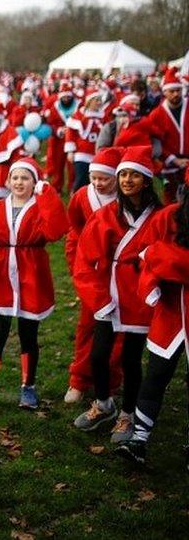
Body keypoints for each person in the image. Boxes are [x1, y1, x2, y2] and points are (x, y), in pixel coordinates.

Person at [72, 145, 162, 442]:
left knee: (131, 358)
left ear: (146, 180)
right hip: (109, 293)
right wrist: (98, 296)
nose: (126, 180)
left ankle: (127, 414)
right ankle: (103, 403)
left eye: (134, 175)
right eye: (122, 174)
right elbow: (85, 255)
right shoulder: (109, 214)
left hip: (139, 295)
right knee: (98, 355)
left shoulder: (159, 217)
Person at [0, 157, 68, 411]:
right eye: (15, 177)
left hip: (31, 271)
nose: (19, 182)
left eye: (25, 177)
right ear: (8, 181)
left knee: (28, 333)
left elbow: (56, 230)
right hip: (2, 273)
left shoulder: (40, 206)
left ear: (35, 182)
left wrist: (48, 196)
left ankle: (28, 387)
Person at [116, 175, 189, 466]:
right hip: (170, 311)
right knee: (157, 374)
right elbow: (145, 254)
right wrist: (151, 281)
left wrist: (165, 258)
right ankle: (139, 439)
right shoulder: (169, 216)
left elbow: (157, 254)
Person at [63, 147, 123, 404]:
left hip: (119, 272)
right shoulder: (81, 196)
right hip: (91, 273)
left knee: (120, 329)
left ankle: (111, 380)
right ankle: (79, 379)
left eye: (104, 179)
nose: (98, 183)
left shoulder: (125, 199)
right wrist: (76, 262)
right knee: (88, 326)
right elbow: (74, 228)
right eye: (94, 178)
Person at [146, 68, 188, 204]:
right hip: (169, 166)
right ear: (164, 92)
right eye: (172, 91)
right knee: (172, 205)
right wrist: (173, 159)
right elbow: (155, 144)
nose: (176, 94)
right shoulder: (156, 114)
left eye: (178, 90)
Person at [65, 93, 108, 193]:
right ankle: (76, 199)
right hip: (82, 153)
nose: (99, 103)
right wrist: (70, 151)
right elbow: (70, 133)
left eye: (100, 100)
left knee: (95, 180)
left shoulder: (103, 116)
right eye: (96, 100)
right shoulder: (79, 116)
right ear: (89, 102)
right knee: (81, 178)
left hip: (98, 153)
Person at [41, 81, 78, 194]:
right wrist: (58, 130)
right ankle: (57, 187)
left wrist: (72, 129)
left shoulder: (78, 106)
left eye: (68, 96)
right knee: (57, 164)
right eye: (64, 96)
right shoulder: (55, 108)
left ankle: (73, 187)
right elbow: (49, 124)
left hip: (74, 140)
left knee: (72, 166)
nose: (66, 99)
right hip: (58, 140)